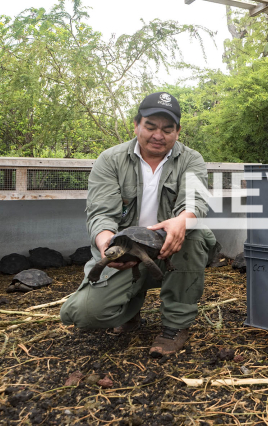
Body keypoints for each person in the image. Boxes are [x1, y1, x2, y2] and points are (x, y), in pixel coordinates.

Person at [61, 92, 217, 358]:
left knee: (194, 233)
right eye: (151, 126)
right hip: (127, 247)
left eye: (168, 129)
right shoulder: (110, 160)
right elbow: (100, 214)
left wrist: (182, 220)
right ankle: (129, 311)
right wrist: (107, 245)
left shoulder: (191, 160)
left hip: (171, 248)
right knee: (83, 315)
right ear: (136, 125)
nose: (159, 135)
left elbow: (196, 202)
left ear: (177, 131)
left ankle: (175, 325)